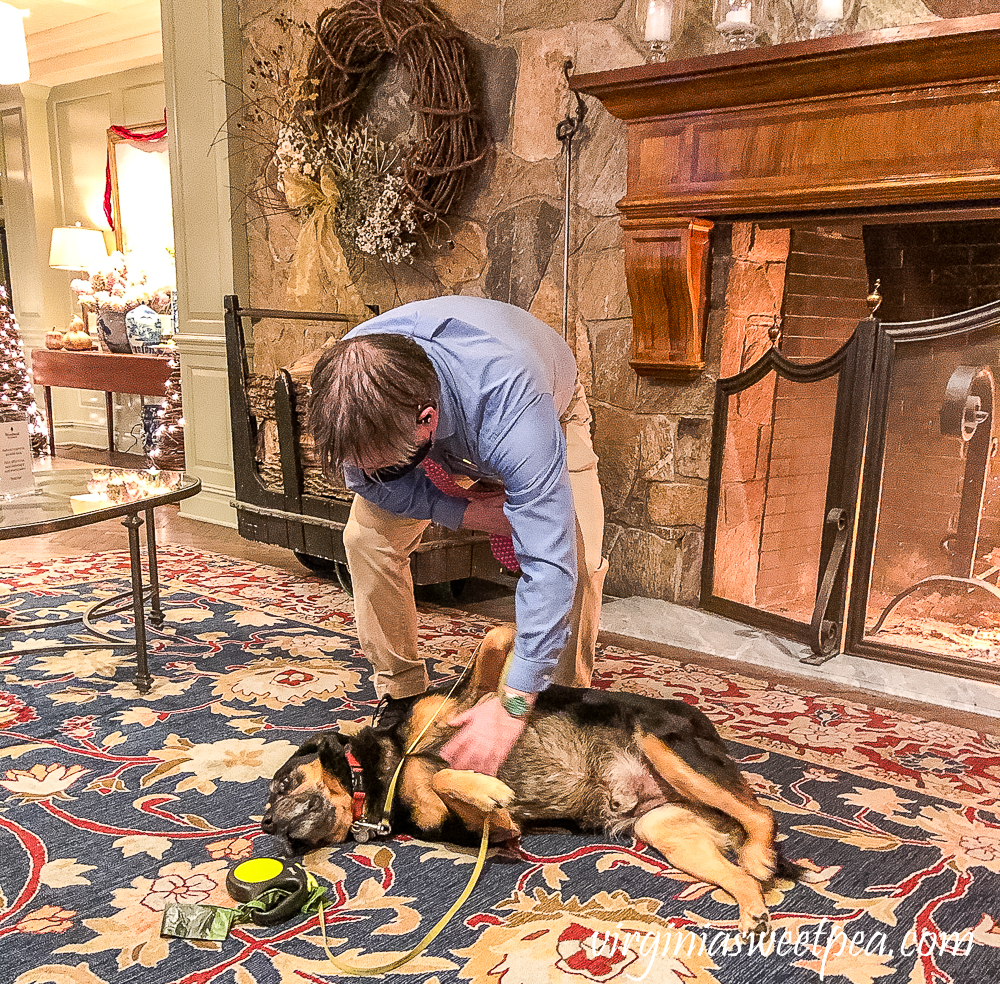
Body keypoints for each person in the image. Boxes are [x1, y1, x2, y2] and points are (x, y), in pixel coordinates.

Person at [309, 295, 607, 774]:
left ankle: (555, 707)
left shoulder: (513, 406)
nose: (369, 471)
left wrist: (512, 701)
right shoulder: (350, 385)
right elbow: (366, 481)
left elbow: (548, 564)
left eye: (385, 462)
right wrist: (466, 513)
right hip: (437, 432)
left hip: (550, 407)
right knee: (365, 539)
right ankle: (401, 692)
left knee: (579, 559)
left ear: (426, 420)